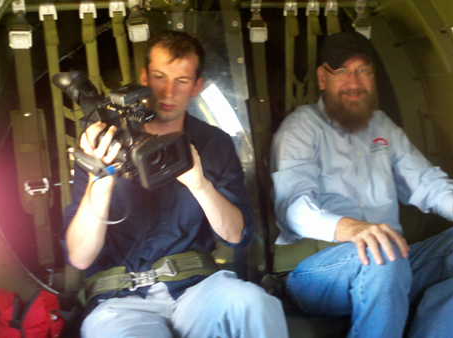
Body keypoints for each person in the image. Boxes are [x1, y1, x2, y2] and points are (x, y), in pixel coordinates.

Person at [271, 31, 453, 338]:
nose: (354, 82)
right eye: (342, 72)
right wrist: (355, 229)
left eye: (362, 71)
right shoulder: (301, 128)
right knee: (381, 251)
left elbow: (422, 180)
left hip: (393, 260)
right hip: (317, 273)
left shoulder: (382, 125)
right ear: (322, 78)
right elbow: (293, 208)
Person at [63, 31, 287, 338]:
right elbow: (79, 257)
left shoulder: (213, 143)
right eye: (159, 76)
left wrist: (199, 183)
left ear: (196, 86)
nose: (168, 91)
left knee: (253, 303)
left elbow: (236, 235)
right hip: (121, 300)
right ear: (143, 77)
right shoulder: (105, 143)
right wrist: (99, 181)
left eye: (181, 80)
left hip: (197, 289)